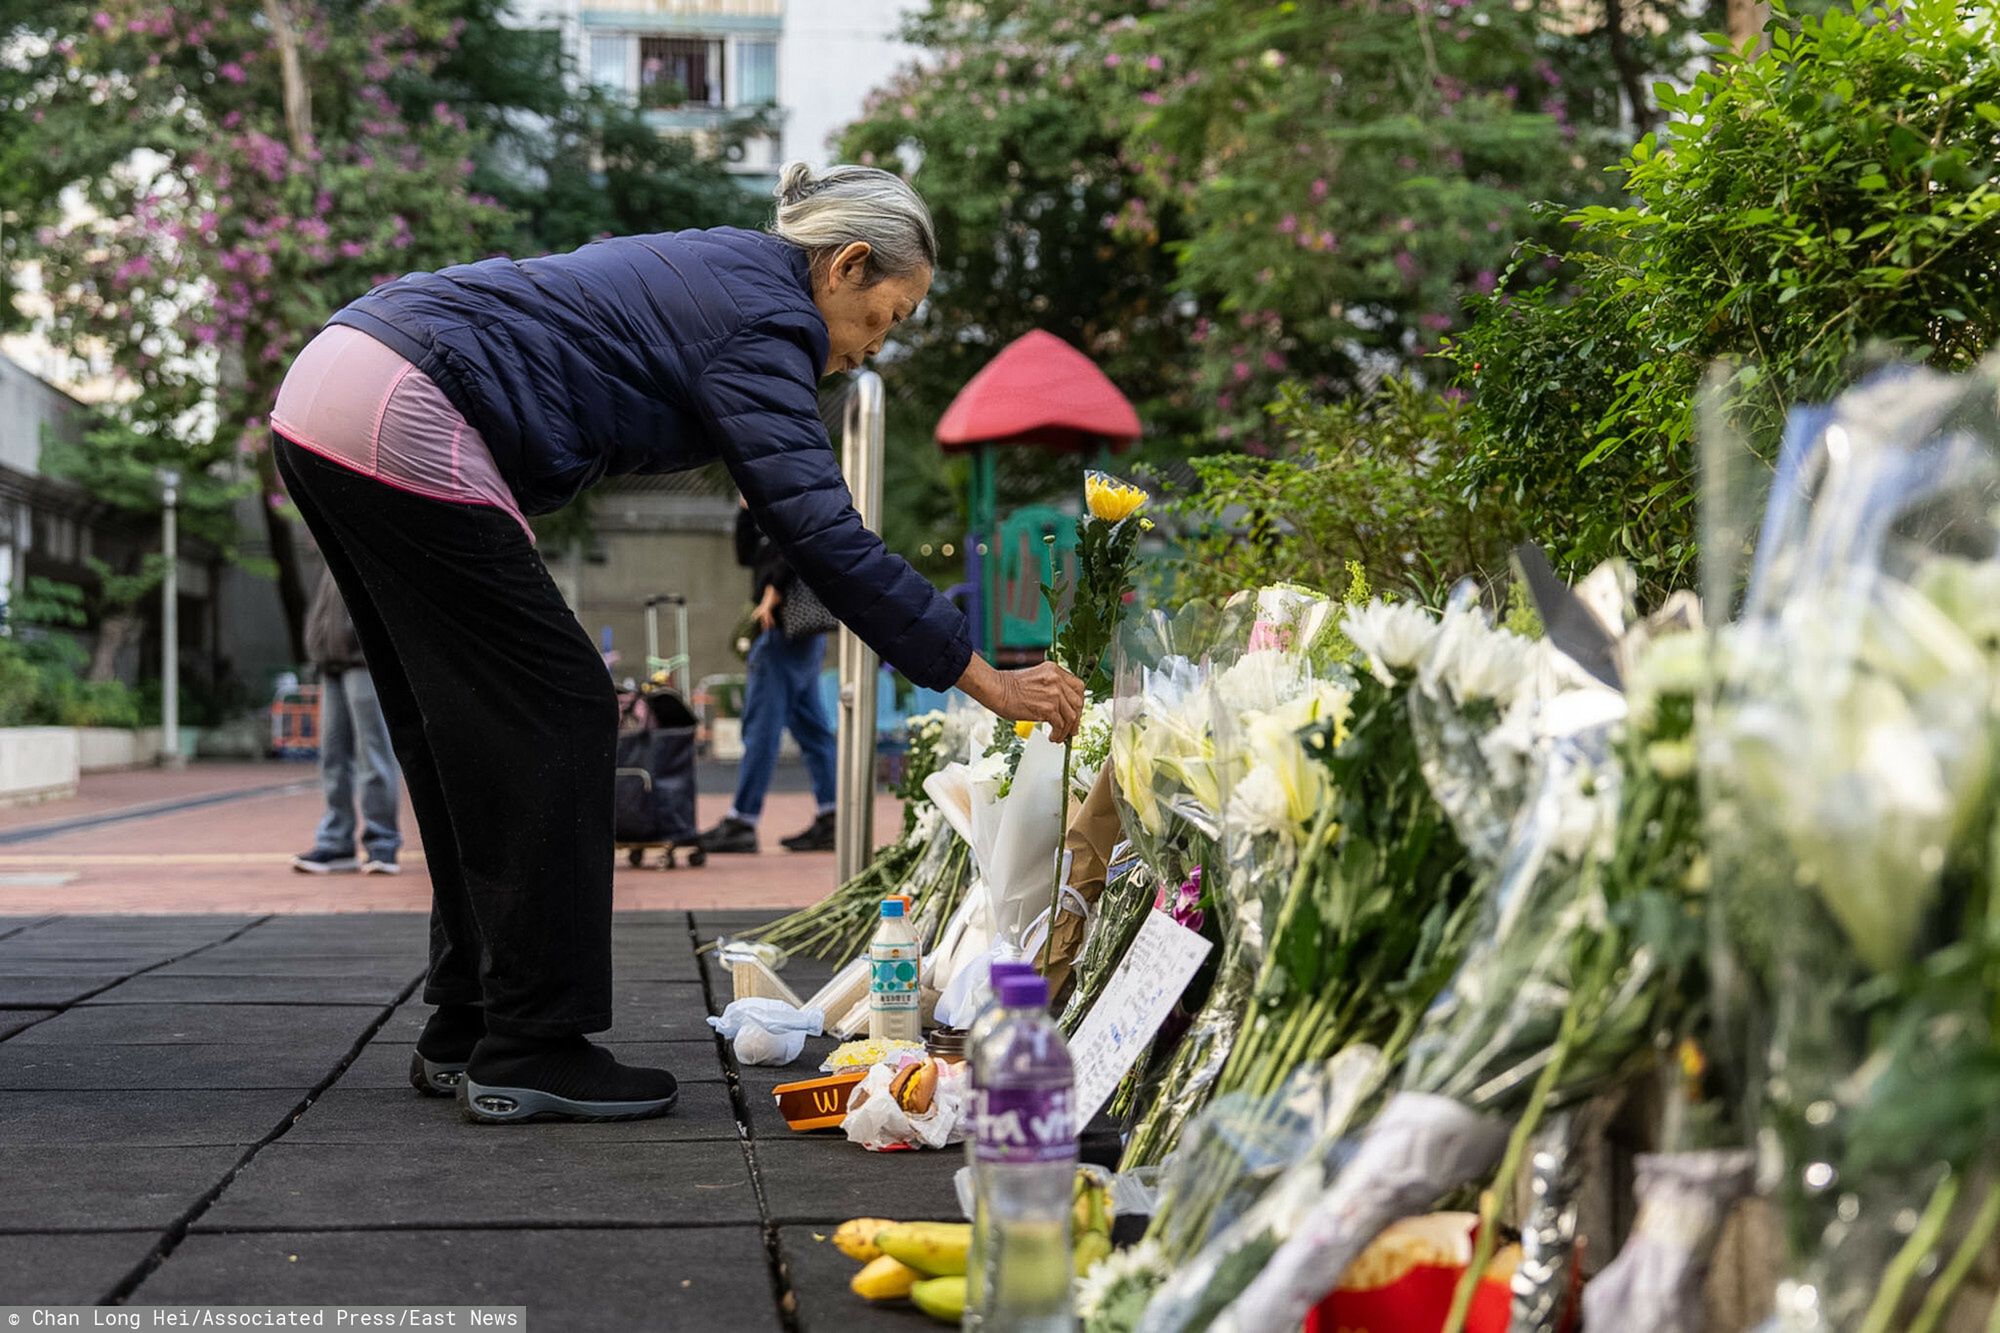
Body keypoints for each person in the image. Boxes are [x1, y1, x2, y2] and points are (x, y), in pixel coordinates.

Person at [267, 162, 1083, 1125]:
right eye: (885, 318)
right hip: (404, 397)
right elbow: (824, 532)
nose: (868, 353)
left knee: (463, 725)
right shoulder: (766, 321)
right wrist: (985, 676)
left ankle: (470, 1020)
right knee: (559, 704)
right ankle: (531, 1043)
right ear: (847, 265)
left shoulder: (724, 275)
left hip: (334, 381)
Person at [698, 500, 839, 855]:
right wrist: (747, 511)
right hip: (800, 636)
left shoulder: (786, 495)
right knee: (811, 728)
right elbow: (747, 556)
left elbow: (797, 544)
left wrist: (773, 590)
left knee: (761, 725)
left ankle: (742, 820)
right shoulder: (773, 503)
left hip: (781, 626)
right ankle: (833, 815)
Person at [292, 568, 403, 876]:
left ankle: (383, 841)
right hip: (331, 660)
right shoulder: (330, 544)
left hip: (365, 660)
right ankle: (336, 841)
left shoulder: (365, 529)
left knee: (373, 753)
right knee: (332, 756)